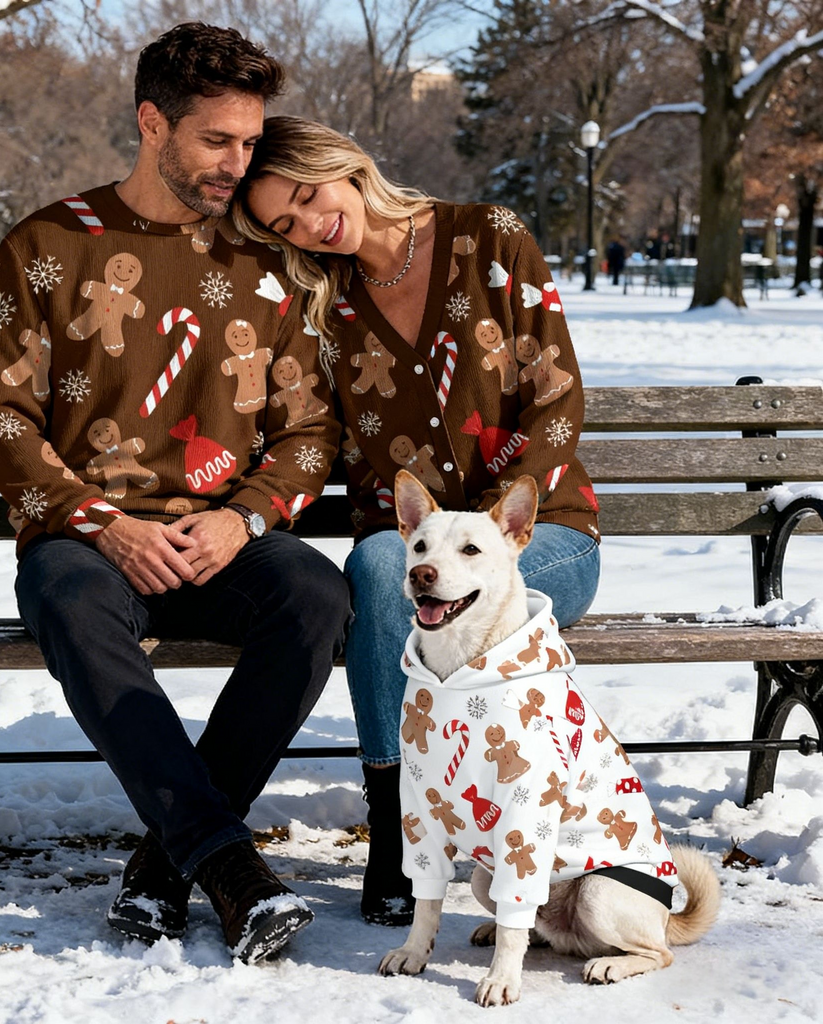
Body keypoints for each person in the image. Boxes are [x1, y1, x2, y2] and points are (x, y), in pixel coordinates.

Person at [0, 27, 350, 965]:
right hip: (85, 541)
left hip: (219, 534)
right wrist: (103, 525)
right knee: (68, 600)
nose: (238, 163)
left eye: (249, 142)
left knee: (315, 596)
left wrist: (242, 518)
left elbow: (309, 430)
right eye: (217, 140)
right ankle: (227, 865)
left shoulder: (269, 262)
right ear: (151, 123)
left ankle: (167, 864)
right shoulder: (50, 243)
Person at [232, 116, 600, 927]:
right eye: (285, 224)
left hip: (542, 538)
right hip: (415, 549)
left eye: (307, 195)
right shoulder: (324, 305)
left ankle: (449, 825)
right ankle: (400, 828)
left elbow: (557, 397)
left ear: (343, 164)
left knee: (406, 586)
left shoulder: (488, 237)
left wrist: (499, 524)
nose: (310, 224)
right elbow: (309, 430)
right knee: (376, 570)